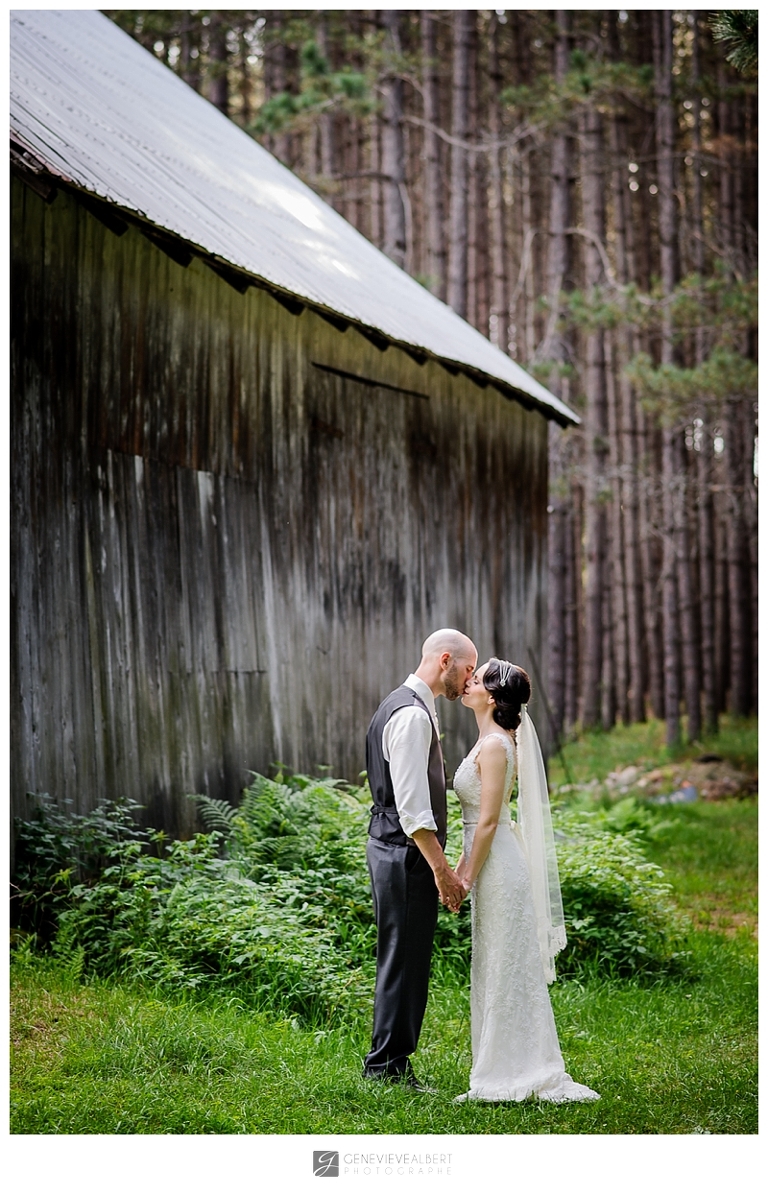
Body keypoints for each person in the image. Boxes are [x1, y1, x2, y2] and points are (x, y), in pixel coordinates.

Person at [453, 658, 600, 1103]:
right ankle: (498, 1061)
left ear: (492, 697)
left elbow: (489, 821)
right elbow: (476, 822)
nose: (468, 682)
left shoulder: (496, 746)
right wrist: (461, 870)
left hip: (499, 866)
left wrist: (464, 877)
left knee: (506, 964)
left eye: (477, 679)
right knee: (494, 960)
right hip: (488, 861)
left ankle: (516, 1069)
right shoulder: (489, 740)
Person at [363, 628, 478, 1090]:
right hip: (405, 853)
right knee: (404, 962)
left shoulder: (402, 703)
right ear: (445, 660)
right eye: (468, 669)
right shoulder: (412, 716)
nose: (469, 680)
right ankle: (386, 1068)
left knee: (402, 958)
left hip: (391, 847)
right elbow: (414, 811)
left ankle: (387, 1063)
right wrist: (442, 871)